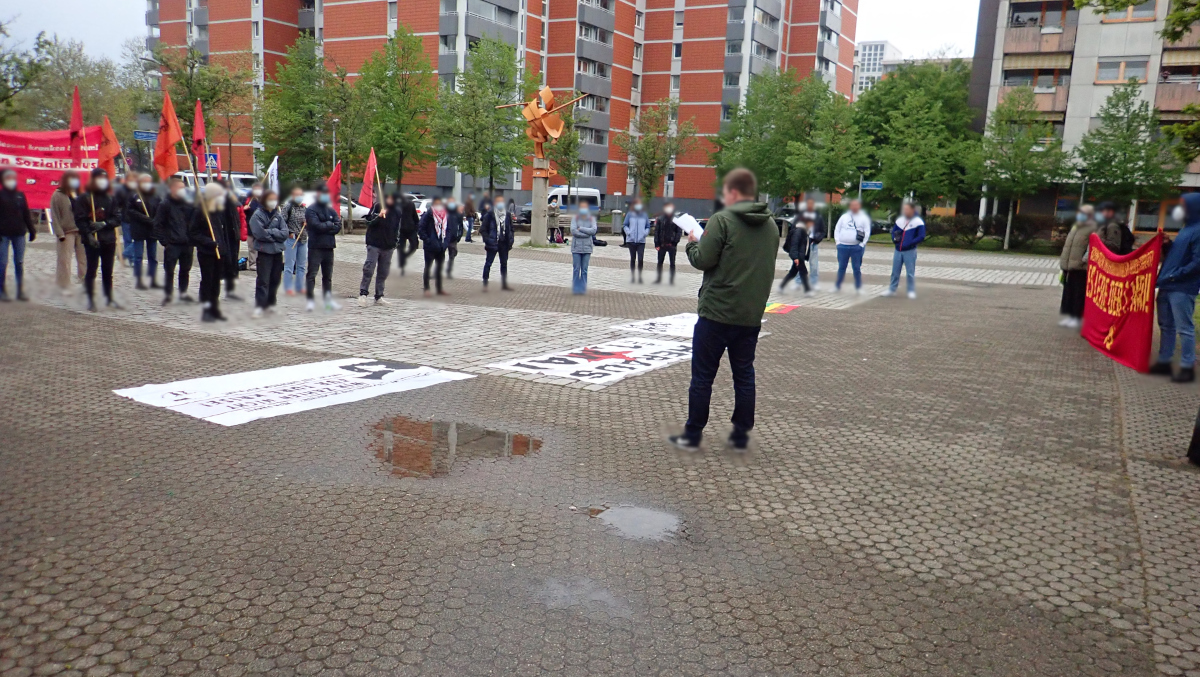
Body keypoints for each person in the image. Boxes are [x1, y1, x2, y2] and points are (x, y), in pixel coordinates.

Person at [670, 168, 778, 452]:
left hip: (716, 313)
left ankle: (693, 434)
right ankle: (741, 435)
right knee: (744, 375)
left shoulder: (723, 220)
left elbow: (704, 260)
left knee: (703, 376)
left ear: (732, 193)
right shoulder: (771, 226)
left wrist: (693, 243)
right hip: (750, 314)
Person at [1150, 195, 1200, 383]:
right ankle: (1164, 361)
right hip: (1167, 285)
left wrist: (1174, 275)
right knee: (1166, 326)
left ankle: (1187, 367)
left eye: (1183, 206)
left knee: (1184, 328)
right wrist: (1168, 244)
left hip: (1182, 287)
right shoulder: (1186, 229)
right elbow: (1178, 255)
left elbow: (1198, 262)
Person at [73, 169, 121, 311]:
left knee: (108, 270)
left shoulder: (111, 198)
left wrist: (105, 223)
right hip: (92, 239)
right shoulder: (84, 198)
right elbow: (80, 220)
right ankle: (90, 299)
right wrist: (88, 235)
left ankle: (108, 298)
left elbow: (117, 218)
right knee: (91, 270)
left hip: (108, 239)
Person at [191, 183, 235, 322]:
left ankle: (215, 309)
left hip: (219, 252)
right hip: (207, 252)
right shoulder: (200, 211)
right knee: (208, 281)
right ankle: (206, 310)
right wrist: (208, 242)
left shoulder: (218, 211)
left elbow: (223, 233)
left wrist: (225, 250)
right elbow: (193, 232)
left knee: (216, 282)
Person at [154, 178, 196, 305]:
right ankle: (168, 294)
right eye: (179, 188)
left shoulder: (189, 204)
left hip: (187, 243)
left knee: (185, 269)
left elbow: (194, 222)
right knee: (169, 270)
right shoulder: (165, 204)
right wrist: (165, 242)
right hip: (172, 243)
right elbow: (158, 224)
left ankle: (183, 293)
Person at [248, 190, 288, 317]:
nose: (274, 202)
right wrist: (275, 235)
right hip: (264, 252)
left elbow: (285, 232)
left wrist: (272, 232)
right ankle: (260, 306)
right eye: (271, 199)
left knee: (275, 279)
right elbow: (260, 233)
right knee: (263, 280)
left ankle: (271, 304)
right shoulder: (257, 215)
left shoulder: (278, 214)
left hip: (277, 252)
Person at [1058, 205, 1099, 329]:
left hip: (1080, 267)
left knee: (1078, 294)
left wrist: (1084, 260)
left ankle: (1077, 318)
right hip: (1069, 265)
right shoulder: (1076, 227)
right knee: (1069, 293)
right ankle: (1070, 316)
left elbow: (1091, 247)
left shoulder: (1092, 228)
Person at [304, 185, 342, 311]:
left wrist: (328, 226)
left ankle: (328, 301)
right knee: (312, 275)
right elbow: (316, 226)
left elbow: (338, 226)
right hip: (316, 247)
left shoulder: (331, 210)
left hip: (329, 246)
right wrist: (330, 224)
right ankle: (310, 301)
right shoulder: (311, 210)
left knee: (328, 276)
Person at [0, 167, 35, 302]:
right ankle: (2, 290)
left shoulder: (20, 195)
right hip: (3, 234)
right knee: (2, 263)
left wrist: (32, 230)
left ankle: (20, 290)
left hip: (19, 233)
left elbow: (26, 213)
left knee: (19, 262)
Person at [358, 192, 400, 306]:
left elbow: (397, 228)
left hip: (388, 246)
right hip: (374, 244)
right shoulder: (378, 206)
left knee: (383, 272)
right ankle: (363, 294)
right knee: (369, 268)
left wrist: (396, 241)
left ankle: (379, 295)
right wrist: (378, 217)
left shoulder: (396, 211)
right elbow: (369, 222)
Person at [50, 170, 86, 293]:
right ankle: (63, 283)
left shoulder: (80, 194)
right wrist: (59, 233)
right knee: (64, 259)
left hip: (81, 231)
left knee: (83, 258)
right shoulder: (58, 195)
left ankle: (85, 280)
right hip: (66, 231)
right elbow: (54, 216)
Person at [123, 173, 161, 290]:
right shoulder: (134, 196)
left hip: (152, 230)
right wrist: (145, 219)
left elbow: (160, 209)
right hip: (139, 228)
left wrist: (155, 220)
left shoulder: (155, 195)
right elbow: (130, 211)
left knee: (152, 257)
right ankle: (139, 280)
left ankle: (152, 279)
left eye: (149, 182)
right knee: (138, 257)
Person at [884, 201, 926, 299]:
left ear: (912, 210)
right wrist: (895, 240)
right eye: (904, 209)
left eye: (907, 209)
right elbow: (894, 232)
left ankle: (911, 291)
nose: (905, 211)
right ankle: (892, 289)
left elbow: (921, 236)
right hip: (898, 250)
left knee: (910, 272)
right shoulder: (900, 220)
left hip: (910, 250)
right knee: (895, 271)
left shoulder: (918, 222)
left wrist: (910, 242)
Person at [833, 199, 871, 294]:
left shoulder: (863, 218)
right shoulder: (844, 217)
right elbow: (837, 229)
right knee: (841, 267)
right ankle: (837, 286)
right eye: (852, 205)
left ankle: (858, 287)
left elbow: (867, 231)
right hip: (843, 247)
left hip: (856, 247)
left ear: (859, 206)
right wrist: (838, 242)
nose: (854, 207)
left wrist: (862, 245)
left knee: (857, 268)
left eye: (856, 205)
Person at [418, 197, 452, 296]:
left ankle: (439, 288)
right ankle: (427, 288)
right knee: (428, 267)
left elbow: (448, 230)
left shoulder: (445, 215)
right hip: (430, 247)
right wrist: (428, 240)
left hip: (441, 246)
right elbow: (421, 229)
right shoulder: (428, 215)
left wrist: (446, 242)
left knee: (439, 268)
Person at [219, 181, 247, 301]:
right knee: (223, 263)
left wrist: (241, 234)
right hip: (221, 237)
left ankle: (231, 290)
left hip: (233, 237)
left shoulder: (236, 204)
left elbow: (241, 220)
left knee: (233, 264)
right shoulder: (217, 205)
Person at [480, 197, 515, 291]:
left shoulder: (507, 215)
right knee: (488, 263)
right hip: (493, 243)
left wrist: (511, 240)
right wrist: (487, 240)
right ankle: (485, 284)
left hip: (504, 243)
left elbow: (511, 228)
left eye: (502, 202)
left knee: (504, 264)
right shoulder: (490, 215)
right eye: (498, 202)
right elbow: (483, 229)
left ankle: (504, 284)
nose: (500, 203)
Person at [282, 186, 308, 297]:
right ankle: (288, 287)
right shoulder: (288, 207)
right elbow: (282, 222)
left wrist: (307, 223)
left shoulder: (304, 208)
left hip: (303, 239)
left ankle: (299, 286)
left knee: (301, 265)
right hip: (291, 239)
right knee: (289, 265)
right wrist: (289, 232)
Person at [571, 203, 598, 294]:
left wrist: (581, 228)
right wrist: (587, 233)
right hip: (576, 247)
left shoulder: (591, 218)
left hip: (587, 247)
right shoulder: (575, 218)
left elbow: (593, 230)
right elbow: (573, 231)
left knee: (584, 270)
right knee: (576, 269)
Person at [780, 217, 812, 295]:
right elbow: (794, 245)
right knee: (803, 272)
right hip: (798, 256)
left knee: (793, 272)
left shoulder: (804, 232)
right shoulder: (799, 231)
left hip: (799, 255)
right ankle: (807, 290)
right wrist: (795, 257)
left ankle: (781, 286)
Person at [653, 202, 682, 284]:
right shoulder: (660, 218)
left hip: (672, 245)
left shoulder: (676, 219)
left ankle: (671, 280)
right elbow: (657, 232)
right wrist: (657, 244)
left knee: (672, 263)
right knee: (659, 262)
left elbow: (679, 232)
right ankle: (658, 279)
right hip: (662, 245)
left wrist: (675, 242)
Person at [801, 198, 826, 290]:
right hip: (802, 242)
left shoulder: (818, 217)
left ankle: (814, 282)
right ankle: (798, 282)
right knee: (799, 263)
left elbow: (822, 231)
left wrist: (817, 239)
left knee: (814, 265)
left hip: (812, 243)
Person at [623, 201, 650, 283]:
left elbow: (648, 226)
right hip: (631, 240)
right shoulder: (630, 214)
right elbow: (625, 225)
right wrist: (628, 232)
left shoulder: (644, 215)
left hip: (641, 241)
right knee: (633, 258)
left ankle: (640, 276)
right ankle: (633, 276)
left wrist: (645, 233)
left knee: (640, 259)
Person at [116, 172, 139, 266]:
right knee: (128, 239)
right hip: (126, 218)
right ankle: (131, 259)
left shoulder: (138, 191)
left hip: (137, 219)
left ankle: (125, 254)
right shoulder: (121, 191)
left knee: (138, 240)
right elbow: (117, 204)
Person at [397, 193, 420, 275]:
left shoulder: (411, 204)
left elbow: (415, 216)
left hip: (411, 229)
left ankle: (405, 257)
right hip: (400, 231)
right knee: (400, 249)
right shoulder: (397, 206)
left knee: (414, 245)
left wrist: (417, 227)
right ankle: (402, 267)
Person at [243, 182, 263, 271]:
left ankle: (260, 263)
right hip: (250, 227)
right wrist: (244, 209)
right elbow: (241, 213)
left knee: (260, 247)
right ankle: (252, 263)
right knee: (252, 247)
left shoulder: (262, 200)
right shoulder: (248, 200)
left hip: (261, 227)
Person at [445, 196, 465, 279]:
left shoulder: (457, 214)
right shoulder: (444, 213)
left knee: (452, 254)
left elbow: (461, 225)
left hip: (453, 238)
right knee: (439, 255)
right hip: (444, 237)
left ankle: (449, 271)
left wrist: (459, 235)